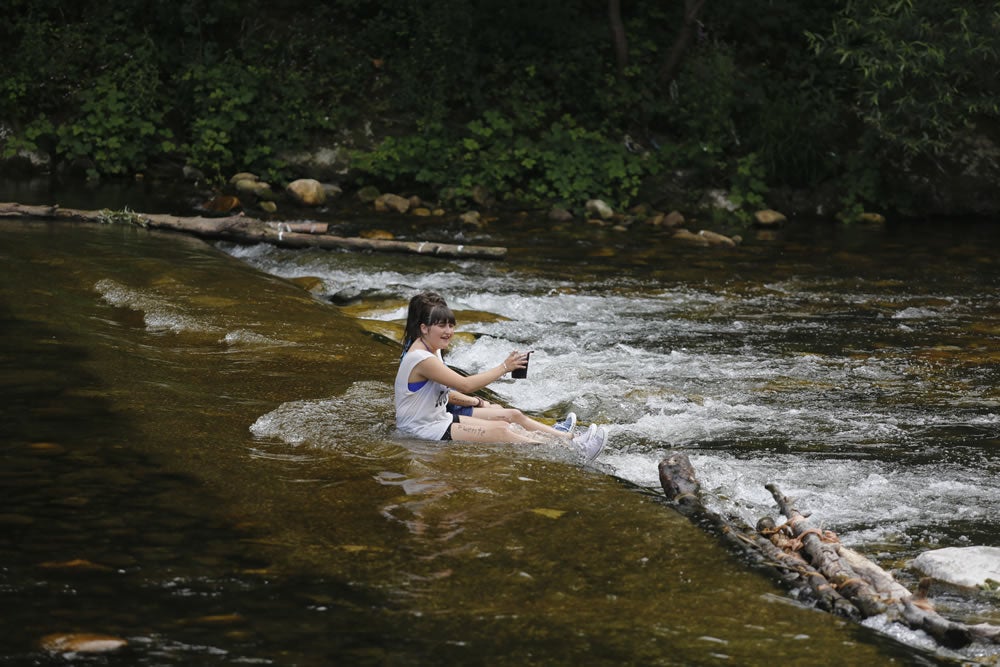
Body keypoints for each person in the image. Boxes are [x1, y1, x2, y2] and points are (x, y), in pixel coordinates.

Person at [394, 291, 607, 462]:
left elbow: (444, 393)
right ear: (423, 327)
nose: (449, 331)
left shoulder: (432, 348)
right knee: (502, 432)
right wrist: (505, 367)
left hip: (438, 418)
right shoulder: (423, 359)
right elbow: (465, 384)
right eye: (442, 325)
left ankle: (569, 439)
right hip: (423, 429)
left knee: (510, 417)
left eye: (451, 325)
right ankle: (573, 453)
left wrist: (480, 402)